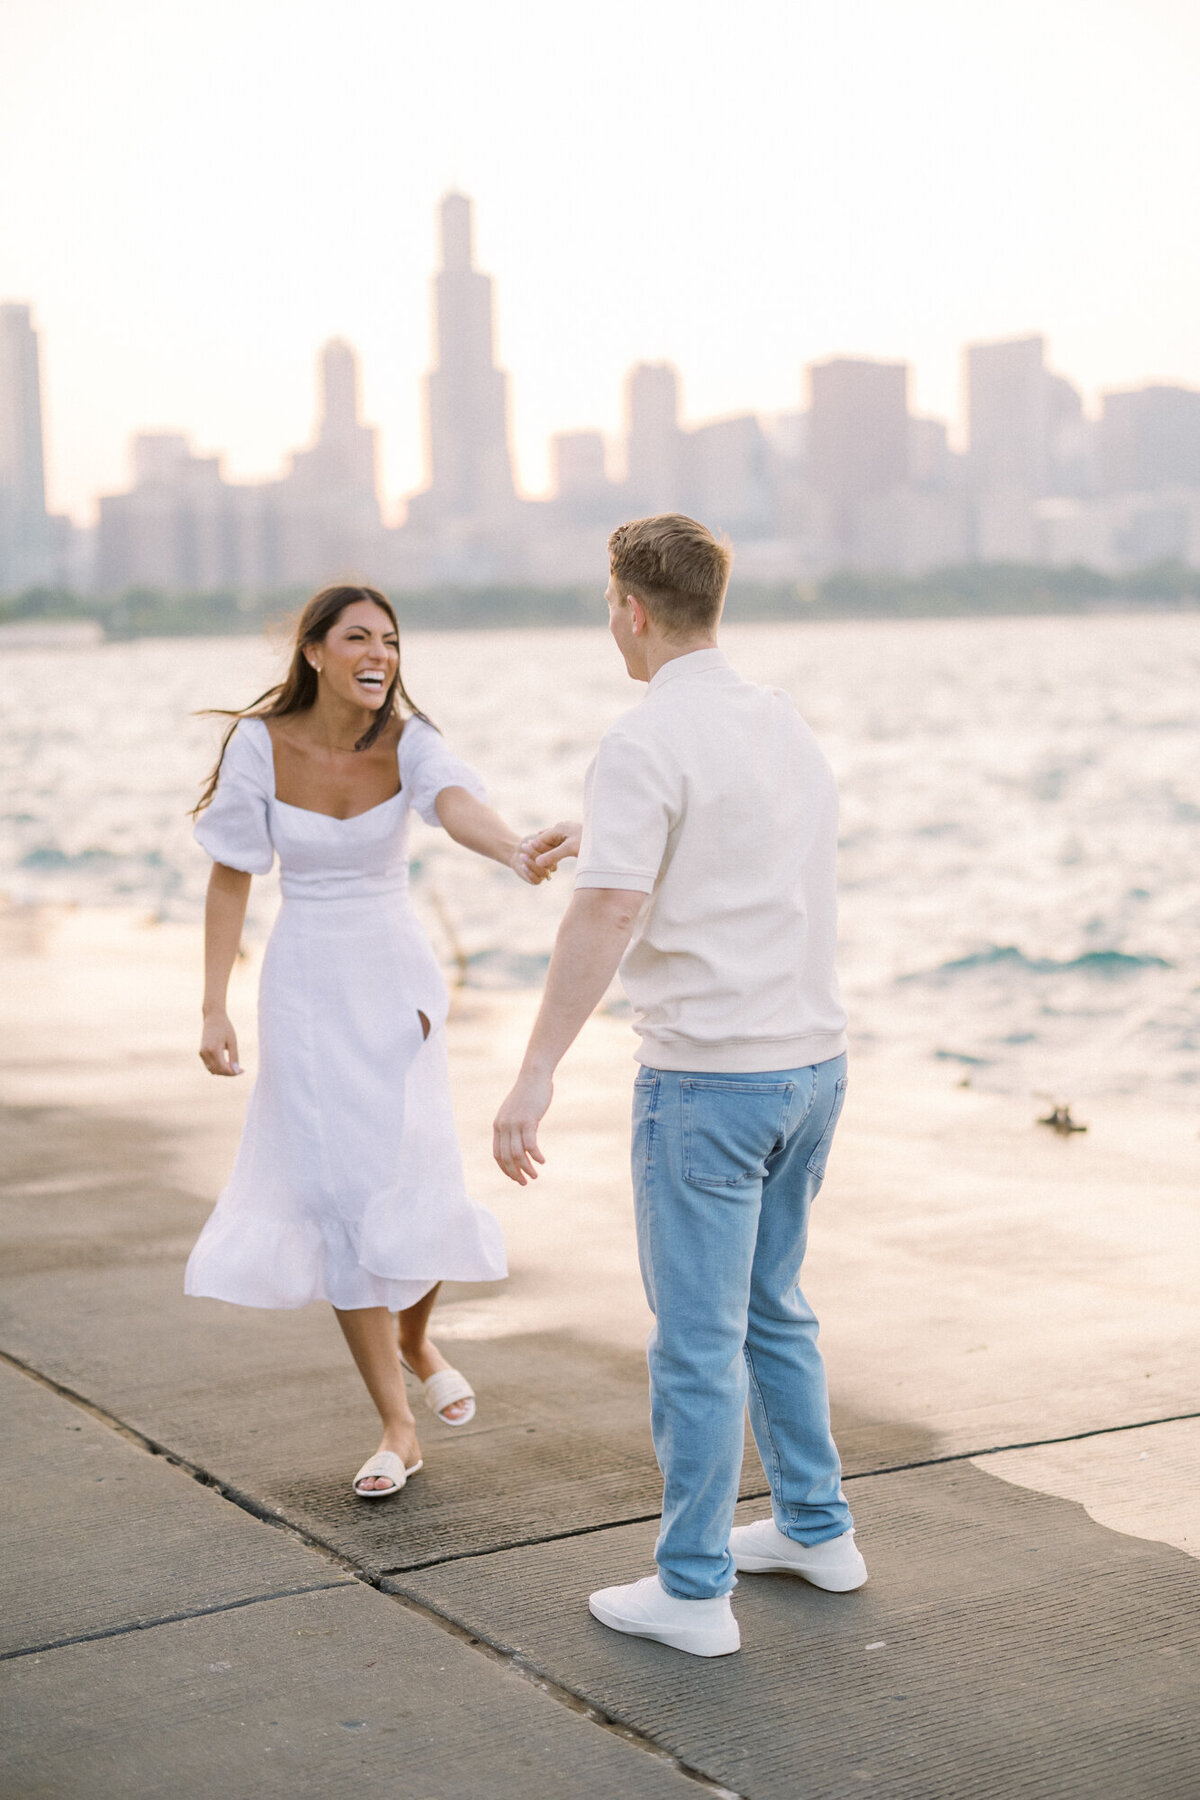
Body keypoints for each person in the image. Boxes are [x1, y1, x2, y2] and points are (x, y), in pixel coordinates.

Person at [493, 516, 866, 1657]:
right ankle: (816, 1529)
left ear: (630, 609)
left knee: (698, 1345)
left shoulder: (646, 738)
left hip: (709, 1085)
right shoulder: (778, 720)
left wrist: (535, 1070)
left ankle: (695, 1591)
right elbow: (746, 849)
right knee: (775, 1311)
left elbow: (610, 910)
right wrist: (604, 830)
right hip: (810, 1068)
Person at [190, 583, 546, 1499]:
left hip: (395, 980)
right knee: (340, 1194)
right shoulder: (260, 746)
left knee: (418, 1172)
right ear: (315, 651)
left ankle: (418, 1335)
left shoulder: (409, 739)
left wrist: (511, 849)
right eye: (358, 637)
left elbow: (455, 800)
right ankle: (397, 1423)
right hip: (305, 984)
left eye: (389, 638)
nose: (379, 653)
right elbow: (232, 876)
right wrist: (212, 1005)